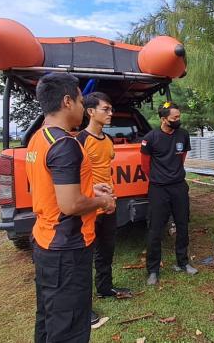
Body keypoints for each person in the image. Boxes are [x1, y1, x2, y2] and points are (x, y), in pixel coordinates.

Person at [25, 73, 116, 343]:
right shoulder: (66, 145)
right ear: (67, 101)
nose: (80, 107)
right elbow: (70, 204)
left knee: (49, 318)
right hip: (67, 248)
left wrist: (91, 190)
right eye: (78, 100)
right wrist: (103, 201)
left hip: (45, 240)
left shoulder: (39, 138)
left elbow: (54, 189)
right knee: (70, 329)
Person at [76, 92, 132, 320]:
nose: (110, 113)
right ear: (90, 112)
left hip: (108, 206)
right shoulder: (79, 140)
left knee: (106, 252)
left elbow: (106, 172)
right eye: (105, 109)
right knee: (82, 259)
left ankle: (105, 288)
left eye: (110, 109)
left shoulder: (107, 141)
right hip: (88, 208)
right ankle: (81, 307)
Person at [140, 101, 198, 285]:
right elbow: (145, 166)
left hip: (179, 187)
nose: (178, 120)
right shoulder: (150, 138)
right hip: (158, 189)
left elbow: (181, 159)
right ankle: (153, 270)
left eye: (179, 117)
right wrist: (160, 178)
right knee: (155, 230)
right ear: (164, 119)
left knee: (183, 225)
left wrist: (173, 175)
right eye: (175, 118)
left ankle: (183, 263)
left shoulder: (183, 135)